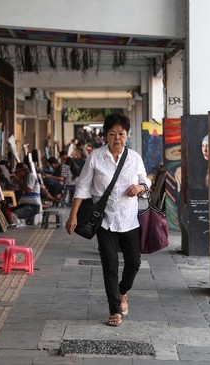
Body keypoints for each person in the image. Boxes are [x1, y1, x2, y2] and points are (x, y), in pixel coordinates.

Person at [65, 113, 151, 327]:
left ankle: (122, 292)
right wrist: (73, 214)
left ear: (127, 135)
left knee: (134, 263)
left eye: (121, 134)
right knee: (110, 266)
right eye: (112, 134)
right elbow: (83, 186)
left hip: (129, 220)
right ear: (105, 135)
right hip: (104, 221)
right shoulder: (95, 157)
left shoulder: (134, 158)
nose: (117, 138)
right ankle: (114, 310)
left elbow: (146, 181)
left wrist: (140, 188)